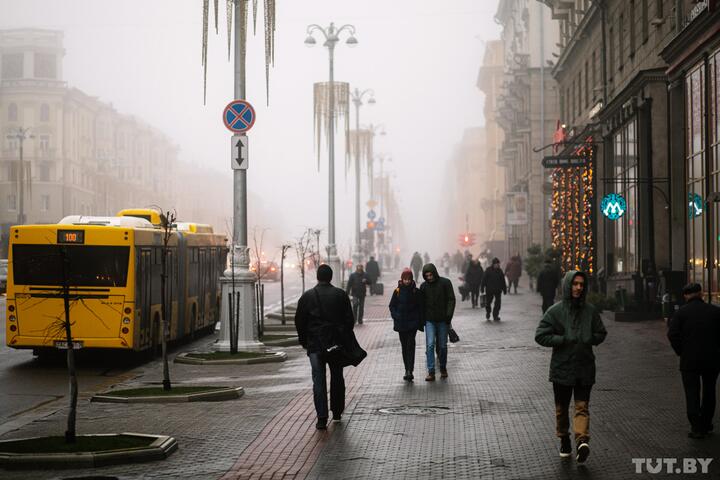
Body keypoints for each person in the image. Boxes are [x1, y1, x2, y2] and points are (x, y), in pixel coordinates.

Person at [534, 270, 607, 463]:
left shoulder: (590, 311)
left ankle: (582, 440)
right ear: (568, 285)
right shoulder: (555, 311)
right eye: (575, 284)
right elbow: (540, 335)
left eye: (582, 285)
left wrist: (591, 338)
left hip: (584, 366)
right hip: (562, 368)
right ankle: (564, 438)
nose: (578, 288)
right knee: (562, 409)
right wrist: (562, 339)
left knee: (582, 407)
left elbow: (601, 332)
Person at [295, 264, 355, 430]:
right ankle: (336, 411)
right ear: (331, 276)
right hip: (335, 344)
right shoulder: (340, 295)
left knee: (318, 380)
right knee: (337, 376)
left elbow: (299, 321)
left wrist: (304, 341)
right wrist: (342, 336)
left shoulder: (307, 296)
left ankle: (321, 417)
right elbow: (349, 320)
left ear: (317, 277)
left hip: (315, 345)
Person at [667, 282, 720, 439]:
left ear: (685, 295)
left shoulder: (681, 313)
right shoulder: (715, 311)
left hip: (689, 360)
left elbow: (672, 335)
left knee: (692, 393)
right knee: (710, 392)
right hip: (712, 359)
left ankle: (696, 426)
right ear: (701, 293)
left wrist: (681, 351)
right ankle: (706, 423)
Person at [420, 263, 456, 381]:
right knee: (430, 345)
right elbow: (420, 303)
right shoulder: (424, 286)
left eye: (431, 275)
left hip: (442, 320)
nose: (429, 277)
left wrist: (448, 315)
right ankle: (431, 371)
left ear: (434, 273)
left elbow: (451, 299)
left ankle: (443, 367)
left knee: (442, 346)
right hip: (429, 320)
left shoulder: (445, 283)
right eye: (427, 276)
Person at [389, 268, 424, 381]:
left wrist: (418, 320)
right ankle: (406, 369)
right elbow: (392, 305)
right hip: (401, 323)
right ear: (402, 279)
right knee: (404, 347)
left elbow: (420, 307)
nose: (407, 281)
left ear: (412, 279)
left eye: (409, 279)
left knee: (410, 346)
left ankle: (410, 370)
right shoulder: (397, 291)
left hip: (412, 323)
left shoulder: (416, 291)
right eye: (405, 279)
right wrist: (396, 315)